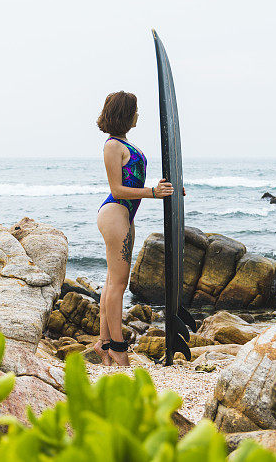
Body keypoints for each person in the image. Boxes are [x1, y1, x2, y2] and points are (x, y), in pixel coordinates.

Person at [94, 91, 182, 366]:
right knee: (119, 284)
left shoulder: (124, 143)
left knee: (111, 282)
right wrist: (154, 193)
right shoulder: (112, 146)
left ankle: (104, 343)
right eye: (135, 110)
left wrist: (166, 190)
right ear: (125, 113)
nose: (138, 114)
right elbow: (117, 189)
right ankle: (119, 349)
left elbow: (133, 181)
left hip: (124, 216)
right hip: (115, 213)